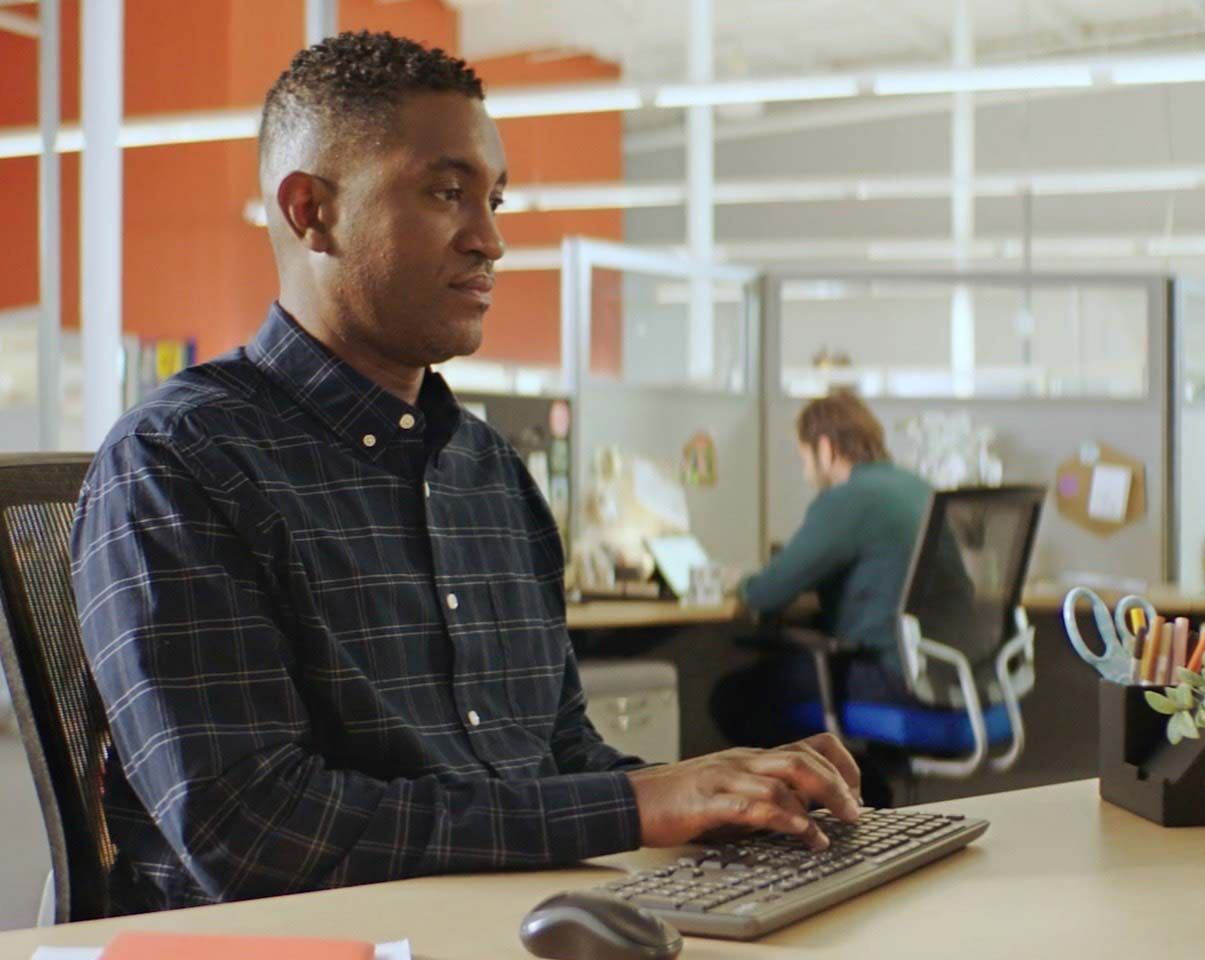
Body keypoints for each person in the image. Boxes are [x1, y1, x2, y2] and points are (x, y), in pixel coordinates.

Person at [70, 32, 860, 915]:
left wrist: (720, 798)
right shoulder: (180, 461)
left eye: (495, 199)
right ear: (310, 212)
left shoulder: (488, 472)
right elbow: (251, 832)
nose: (491, 240)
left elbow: (558, 756)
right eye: (447, 193)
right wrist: (634, 807)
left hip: (503, 921)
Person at [713, 392, 940, 778]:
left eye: (804, 459)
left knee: (734, 698)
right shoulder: (918, 487)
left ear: (825, 448)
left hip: (891, 678)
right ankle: (859, 792)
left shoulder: (848, 498)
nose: (806, 474)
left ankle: (849, 796)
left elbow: (767, 594)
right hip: (942, 675)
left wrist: (741, 581)